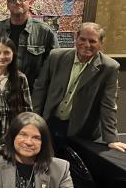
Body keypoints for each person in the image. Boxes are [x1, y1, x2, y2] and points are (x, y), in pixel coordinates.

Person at [32, 22, 126, 153]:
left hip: (80, 129)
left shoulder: (109, 67)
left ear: (100, 43)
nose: (86, 45)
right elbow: (40, 90)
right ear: (76, 38)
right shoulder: (56, 56)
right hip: (50, 122)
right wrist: (33, 120)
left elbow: (108, 104)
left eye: (92, 41)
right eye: (82, 39)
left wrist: (112, 139)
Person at [0, 0, 58, 89]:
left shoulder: (44, 31)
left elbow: (54, 66)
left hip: (32, 91)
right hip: (0, 90)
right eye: (13, 0)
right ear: (7, 4)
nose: (18, 2)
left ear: (30, 3)